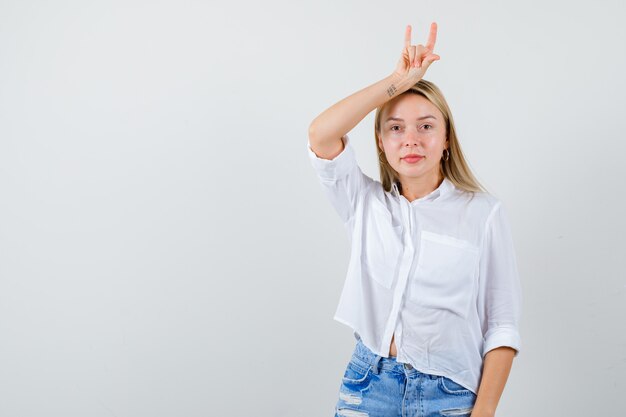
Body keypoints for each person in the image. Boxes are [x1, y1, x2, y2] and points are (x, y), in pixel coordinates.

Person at [306, 23, 522, 417]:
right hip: (368, 386)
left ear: (446, 141)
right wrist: (396, 81)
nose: (411, 139)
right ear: (381, 143)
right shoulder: (363, 203)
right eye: (396, 128)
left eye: (426, 126)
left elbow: (502, 326)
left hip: (450, 395)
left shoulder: (483, 213)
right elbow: (321, 135)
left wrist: (485, 412)